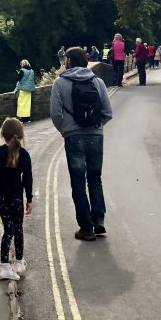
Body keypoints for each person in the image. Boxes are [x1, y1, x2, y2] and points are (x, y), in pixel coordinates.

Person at [50, 46, 113, 240]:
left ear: (68, 61)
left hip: (73, 138)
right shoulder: (98, 81)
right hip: (96, 136)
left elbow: (55, 113)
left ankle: (86, 228)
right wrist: (96, 126)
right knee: (95, 178)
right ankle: (98, 220)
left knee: (78, 183)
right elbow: (107, 112)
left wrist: (65, 129)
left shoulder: (60, 83)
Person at [0, 117, 33, 281]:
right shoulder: (24, 155)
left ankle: (5, 265)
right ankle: (18, 262)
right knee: (17, 228)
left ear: (3, 134)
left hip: (2, 198)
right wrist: (30, 199)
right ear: (20, 135)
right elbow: (28, 180)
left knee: (8, 229)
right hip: (17, 199)